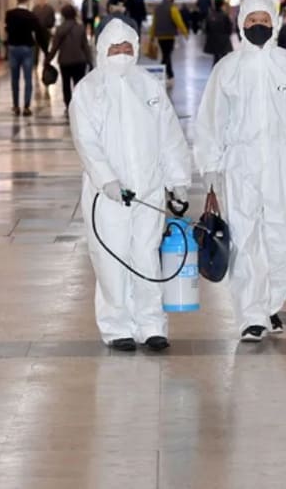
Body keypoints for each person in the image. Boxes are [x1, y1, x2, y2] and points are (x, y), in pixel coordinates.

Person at [195, 0, 286, 342]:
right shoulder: (228, 69)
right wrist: (210, 165)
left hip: (282, 163)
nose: (258, 26)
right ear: (241, 24)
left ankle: (270, 304)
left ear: (274, 22)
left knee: (282, 237)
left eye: (263, 21)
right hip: (241, 165)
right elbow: (211, 119)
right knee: (245, 237)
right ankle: (251, 314)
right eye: (251, 21)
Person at [70, 18, 192, 352]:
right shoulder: (88, 90)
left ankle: (151, 324)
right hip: (109, 196)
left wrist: (178, 180)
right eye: (115, 49)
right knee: (112, 260)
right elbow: (86, 141)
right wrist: (107, 180)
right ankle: (116, 326)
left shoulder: (149, 86)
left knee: (146, 258)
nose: (122, 54)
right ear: (102, 51)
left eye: (127, 48)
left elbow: (169, 136)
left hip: (149, 189)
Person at [47, 4, 94, 114]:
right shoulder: (81, 27)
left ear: (63, 15)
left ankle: (68, 105)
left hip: (65, 61)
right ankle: (78, 104)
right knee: (78, 84)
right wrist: (89, 60)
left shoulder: (59, 29)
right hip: (79, 60)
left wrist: (48, 59)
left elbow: (55, 47)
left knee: (66, 84)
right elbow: (85, 46)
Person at [5, 0, 45, 116]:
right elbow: (39, 32)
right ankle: (26, 106)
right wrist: (45, 49)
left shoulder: (9, 14)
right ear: (27, 1)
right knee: (28, 78)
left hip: (13, 48)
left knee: (14, 78)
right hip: (27, 48)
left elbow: (7, 29)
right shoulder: (31, 15)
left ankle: (16, 106)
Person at [150, 0, 189, 81]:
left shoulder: (157, 8)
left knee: (166, 54)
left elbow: (154, 23)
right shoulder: (172, 8)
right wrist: (185, 33)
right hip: (169, 36)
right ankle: (159, 72)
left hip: (160, 36)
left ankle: (170, 74)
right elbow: (179, 22)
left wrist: (152, 36)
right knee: (166, 56)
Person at [203, 0, 234, 65]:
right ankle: (223, 73)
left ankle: (215, 73)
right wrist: (228, 34)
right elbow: (229, 28)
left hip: (214, 39)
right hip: (224, 40)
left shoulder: (210, 16)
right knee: (224, 58)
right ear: (221, 5)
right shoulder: (225, 16)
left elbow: (206, 29)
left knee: (216, 58)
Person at [32, 0, 56, 73]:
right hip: (37, 31)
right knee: (36, 48)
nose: (41, 1)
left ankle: (46, 63)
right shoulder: (35, 8)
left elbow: (52, 19)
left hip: (46, 31)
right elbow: (32, 18)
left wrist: (49, 26)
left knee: (45, 48)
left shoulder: (49, 8)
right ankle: (35, 63)